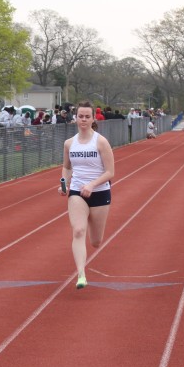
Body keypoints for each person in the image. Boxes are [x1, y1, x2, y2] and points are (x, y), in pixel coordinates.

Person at [60, 101, 115, 290]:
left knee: (95, 241)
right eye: (80, 116)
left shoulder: (101, 142)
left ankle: (93, 235)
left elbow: (110, 172)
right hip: (77, 192)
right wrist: (63, 184)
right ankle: (81, 274)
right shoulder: (69, 143)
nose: (83, 119)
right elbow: (67, 167)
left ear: (93, 119)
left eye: (87, 116)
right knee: (78, 231)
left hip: (99, 192)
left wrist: (92, 185)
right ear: (75, 118)